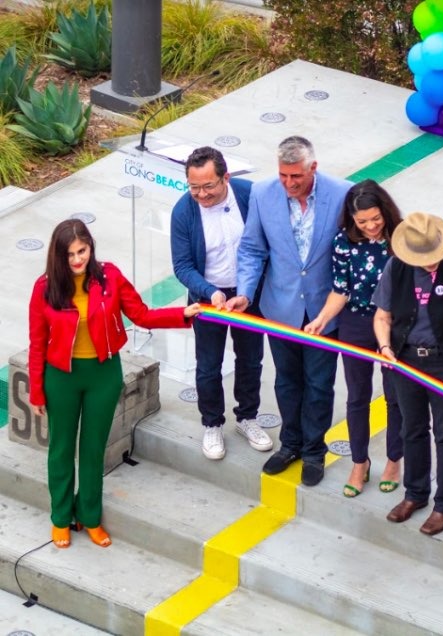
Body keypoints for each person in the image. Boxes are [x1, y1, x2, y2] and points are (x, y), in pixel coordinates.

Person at [29, 219, 201, 549]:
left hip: (103, 376)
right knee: (61, 449)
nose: (78, 259)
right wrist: (37, 391)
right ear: (58, 256)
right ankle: (60, 517)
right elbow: (37, 342)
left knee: (93, 449)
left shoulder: (110, 277)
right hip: (61, 378)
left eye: (83, 250)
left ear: (91, 248)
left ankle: (89, 516)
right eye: (70, 254)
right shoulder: (44, 287)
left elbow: (143, 315)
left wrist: (183, 314)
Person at [226, 136, 352, 484]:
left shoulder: (343, 194)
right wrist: (245, 293)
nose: (289, 183)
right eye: (283, 175)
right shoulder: (263, 193)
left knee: (319, 384)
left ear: (314, 167)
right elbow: (252, 249)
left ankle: (314, 451)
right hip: (279, 308)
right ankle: (290, 443)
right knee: (286, 380)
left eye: (296, 176)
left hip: (323, 311)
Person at [372, 212, 443, 536]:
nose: (430, 263)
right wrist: (385, 347)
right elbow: (382, 316)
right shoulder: (397, 267)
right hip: (406, 358)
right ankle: (415, 493)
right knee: (412, 428)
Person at [304, 180, 404, 497]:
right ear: (352, 219)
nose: (372, 226)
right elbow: (340, 290)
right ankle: (359, 461)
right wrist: (321, 318)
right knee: (357, 395)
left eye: (376, 218)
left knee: (395, 395)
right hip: (357, 321)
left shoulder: (402, 239)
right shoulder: (344, 242)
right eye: (363, 222)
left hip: (395, 324)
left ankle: (394, 459)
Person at [170, 146, 270, 461]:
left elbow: (266, 246)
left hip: (248, 294)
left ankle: (247, 417)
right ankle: (212, 422)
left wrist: (247, 291)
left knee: (251, 358)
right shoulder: (183, 211)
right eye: (194, 186)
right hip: (208, 298)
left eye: (208, 186)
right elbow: (183, 265)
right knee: (209, 365)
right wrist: (210, 292)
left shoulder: (248, 195)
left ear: (226, 177)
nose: (201, 194)